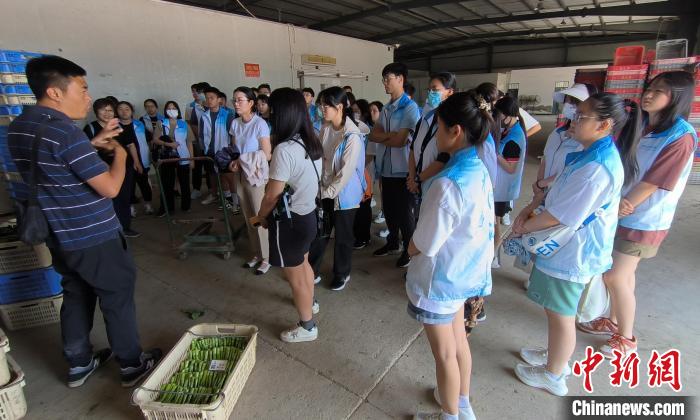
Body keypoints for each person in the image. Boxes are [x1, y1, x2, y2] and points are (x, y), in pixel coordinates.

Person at [8, 55, 161, 388]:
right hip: (93, 233)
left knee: (75, 293)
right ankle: (131, 365)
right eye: (83, 88)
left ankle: (79, 363)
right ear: (55, 92)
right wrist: (119, 153)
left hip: (58, 233)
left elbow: (53, 166)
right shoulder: (64, 132)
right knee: (116, 295)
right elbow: (109, 187)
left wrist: (90, 144)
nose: (89, 97)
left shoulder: (22, 126)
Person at [511, 93, 639, 397]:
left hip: (573, 252)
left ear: (604, 125)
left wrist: (523, 226)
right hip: (568, 248)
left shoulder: (597, 168)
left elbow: (562, 215)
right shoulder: (591, 153)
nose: (573, 120)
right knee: (557, 311)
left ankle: (554, 374)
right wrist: (532, 207)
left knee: (562, 314)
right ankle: (555, 354)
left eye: (581, 117)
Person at [578, 71, 697, 358]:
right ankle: (614, 321)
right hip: (626, 210)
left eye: (661, 91)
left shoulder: (681, 136)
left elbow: (655, 180)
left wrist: (622, 204)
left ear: (677, 98)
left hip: (644, 218)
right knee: (624, 275)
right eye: (650, 87)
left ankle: (626, 338)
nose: (650, 94)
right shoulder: (648, 125)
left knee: (615, 277)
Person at [407, 91, 494, 420]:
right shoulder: (478, 169)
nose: (436, 134)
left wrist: (409, 249)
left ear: (455, 131)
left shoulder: (448, 183)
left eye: (439, 127)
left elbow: (424, 243)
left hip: (441, 280)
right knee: (458, 343)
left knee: (445, 354)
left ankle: (449, 414)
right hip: (464, 274)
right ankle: (461, 403)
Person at [250, 87, 323, 343]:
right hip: (308, 216)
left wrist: (260, 216)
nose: (267, 114)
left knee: (295, 277)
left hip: (290, 222)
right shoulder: (310, 142)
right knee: (303, 265)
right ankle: (310, 303)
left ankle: (307, 326)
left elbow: (272, 195)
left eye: (271, 110)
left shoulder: (284, 149)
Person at [308, 87, 367, 291]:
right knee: (320, 231)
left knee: (342, 235)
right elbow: (320, 159)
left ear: (339, 106)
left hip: (345, 194)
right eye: (321, 104)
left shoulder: (352, 135)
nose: (322, 108)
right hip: (324, 188)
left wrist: (328, 192)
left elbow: (345, 173)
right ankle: (311, 270)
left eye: (326, 105)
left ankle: (342, 273)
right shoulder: (325, 127)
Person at [369, 62, 421, 268]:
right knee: (389, 211)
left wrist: (386, 136)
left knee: (405, 214)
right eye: (383, 79)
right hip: (386, 169)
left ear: (401, 79)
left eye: (388, 79)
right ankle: (392, 243)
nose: (385, 83)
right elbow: (374, 134)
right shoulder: (386, 108)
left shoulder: (410, 109)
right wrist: (389, 135)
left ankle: (409, 250)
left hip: (403, 170)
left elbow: (400, 142)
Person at [228, 86, 272, 275]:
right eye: (235, 100)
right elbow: (234, 149)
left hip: (256, 176)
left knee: (258, 215)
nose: (236, 103)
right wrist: (233, 161)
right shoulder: (235, 123)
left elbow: (267, 153)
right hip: (241, 175)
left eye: (240, 100)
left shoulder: (259, 124)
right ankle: (256, 252)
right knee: (248, 215)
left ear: (251, 103)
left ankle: (267, 256)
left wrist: (242, 160)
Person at [84, 99, 142, 238]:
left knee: (124, 198)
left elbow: (131, 145)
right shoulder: (91, 128)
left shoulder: (120, 127)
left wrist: (137, 162)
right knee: (109, 199)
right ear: (96, 111)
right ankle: (112, 229)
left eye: (110, 110)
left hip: (124, 168)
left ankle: (125, 227)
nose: (107, 113)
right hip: (103, 171)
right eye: (103, 110)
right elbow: (87, 150)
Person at [407, 72, 456, 221]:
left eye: (435, 89)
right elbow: (413, 147)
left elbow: (444, 157)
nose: (430, 93)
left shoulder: (451, 121)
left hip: (433, 182)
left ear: (449, 92)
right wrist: (412, 177)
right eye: (429, 90)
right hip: (417, 181)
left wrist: (417, 178)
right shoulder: (425, 115)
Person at [533, 84, 592, 194]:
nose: (568, 105)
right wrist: (538, 185)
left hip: (561, 194)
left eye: (574, 102)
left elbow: (572, 170)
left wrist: (542, 184)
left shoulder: (584, 141)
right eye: (567, 101)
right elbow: (544, 160)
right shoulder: (556, 133)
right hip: (542, 192)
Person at [492, 95, 527, 267]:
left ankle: (493, 257)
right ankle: (493, 256)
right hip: (499, 188)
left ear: (508, 115)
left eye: (499, 116)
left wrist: (493, 153)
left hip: (502, 190)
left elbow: (510, 168)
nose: (498, 119)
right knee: (494, 223)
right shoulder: (509, 131)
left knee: (495, 225)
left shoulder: (515, 137)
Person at [198, 87, 237, 212]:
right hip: (210, 152)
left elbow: (233, 135)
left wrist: (231, 151)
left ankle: (236, 202)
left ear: (219, 99)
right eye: (207, 98)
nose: (209, 101)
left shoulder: (227, 115)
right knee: (219, 177)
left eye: (212, 98)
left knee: (229, 177)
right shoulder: (204, 116)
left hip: (224, 152)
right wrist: (204, 148)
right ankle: (227, 200)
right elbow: (202, 135)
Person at [153, 101, 194, 216]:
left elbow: (189, 142)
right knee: (167, 184)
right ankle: (167, 208)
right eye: (169, 108)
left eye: (174, 108)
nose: (172, 110)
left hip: (183, 156)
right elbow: (155, 139)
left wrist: (192, 159)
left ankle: (186, 206)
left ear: (178, 110)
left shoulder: (184, 124)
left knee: (185, 183)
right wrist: (169, 145)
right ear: (165, 111)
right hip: (167, 157)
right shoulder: (161, 123)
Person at [117, 101, 154, 217]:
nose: (124, 111)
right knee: (129, 186)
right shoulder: (114, 126)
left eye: (127, 109)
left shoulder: (139, 124)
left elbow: (148, 138)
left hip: (142, 160)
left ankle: (148, 205)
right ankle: (131, 208)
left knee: (144, 184)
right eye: (121, 109)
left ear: (132, 111)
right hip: (125, 163)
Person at [352, 99, 376, 249]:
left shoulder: (369, 131)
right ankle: (357, 235)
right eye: (352, 110)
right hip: (354, 173)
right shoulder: (352, 129)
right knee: (356, 205)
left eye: (357, 111)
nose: (354, 114)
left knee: (364, 205)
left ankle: (364, 237)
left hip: (366, 171)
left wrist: (356, 166)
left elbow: (370, 155)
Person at [187, 82, 210, 200]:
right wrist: (197, 140)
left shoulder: (215, 107)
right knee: (197, 166)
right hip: (199, 141)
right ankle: (197, 189)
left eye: (201, 92)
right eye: (198, 92)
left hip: (212, 143)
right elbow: (193, 124)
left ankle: (212, 190)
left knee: (210, 167)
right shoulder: (194, 108)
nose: (198, 94)